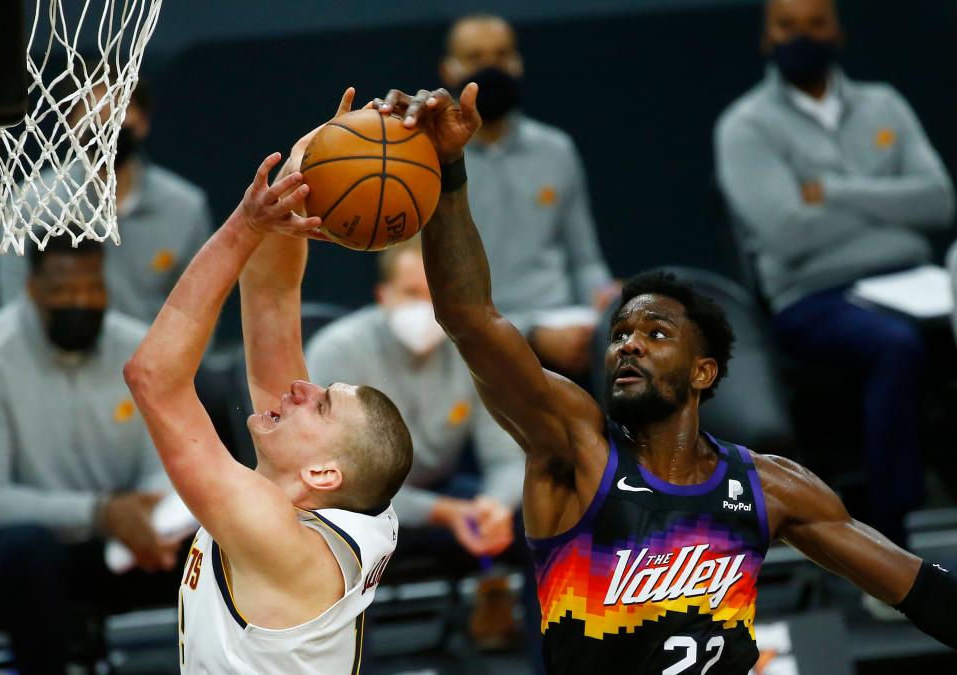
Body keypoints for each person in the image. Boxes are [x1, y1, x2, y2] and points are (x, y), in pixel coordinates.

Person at [371, 84, 957, 673]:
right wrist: (449, 170)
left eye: (655, 334)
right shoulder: (574, 448)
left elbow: (919, 590)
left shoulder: (772, 487)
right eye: (620, 333)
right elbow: (470, 319)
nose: (627, 343)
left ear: (703, 372)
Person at [123, 89, 413, 673]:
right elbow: (274, 296)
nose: (304, 387)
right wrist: (314, 169)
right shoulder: (338, 498)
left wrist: (244, 225)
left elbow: (154, 377)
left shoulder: (277, 536)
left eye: (323, 405)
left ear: (323, 473)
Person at [714, 0, 955, 545]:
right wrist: (895, 217)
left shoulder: (884, 104)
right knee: (895, 347)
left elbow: (939, 201)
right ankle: (892, 539)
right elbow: (785, 231)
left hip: (915, 284)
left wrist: (836, 193)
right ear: (765, 38)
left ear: (838, 32)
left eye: (815, 23)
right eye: (787, 26)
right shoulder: (745, 125)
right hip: (812, 298)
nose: (802, 35)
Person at [305, 237, 526, 647]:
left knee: (540, 516)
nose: (425, 309)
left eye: (434, 295)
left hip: (447, 493)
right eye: (410, 294)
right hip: (355, 508)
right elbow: (339, 486)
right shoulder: (338, 351)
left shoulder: (473, 348)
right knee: (336, 539)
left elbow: (509, 457)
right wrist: (443, 512)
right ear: (382, 296)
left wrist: (495, 505)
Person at [0, 237, 178, 675]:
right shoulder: (0, 353)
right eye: (63, 291)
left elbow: (169, 462)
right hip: (38, 549)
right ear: (32, 290)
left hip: (128, 541)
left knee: (216, 539)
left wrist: (151, 520)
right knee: (28, 552)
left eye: (91, 288)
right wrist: (98, 512)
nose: (80, 301)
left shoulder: (139, 347)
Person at [439, 14, 618, 379]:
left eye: (502, 55)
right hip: (468, 340)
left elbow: (585, 260)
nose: (492, 66)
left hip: (563, 322)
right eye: (475, 57)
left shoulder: (556, 149)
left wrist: (606, 298)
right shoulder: (429, 159)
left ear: (517, 63)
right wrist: (532, 335)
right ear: (448, 70)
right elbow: (420, 290)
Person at [0, 75, 213, 323]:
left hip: (153, 358)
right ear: (70, 125)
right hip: (52, 359)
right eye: (93, 114)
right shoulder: (32, 202)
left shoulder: (185, 208)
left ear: (143, 122)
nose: (105, 124)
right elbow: (14, 303)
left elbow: (199, 306)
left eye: (118, 112)